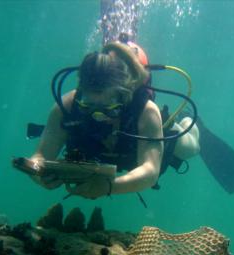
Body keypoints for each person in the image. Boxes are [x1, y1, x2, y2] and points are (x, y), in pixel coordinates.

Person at [28, 40, 201, 200]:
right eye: (88, 104)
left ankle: (187, 121)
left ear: (124, 95)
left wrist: (109, 187)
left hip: (149, 134)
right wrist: (38, 174)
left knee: (190, 149)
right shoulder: (66, 105)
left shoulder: (146, 112)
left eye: (108, 105)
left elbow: (150, 172)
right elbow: (39, 155)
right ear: (81, 91)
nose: (98, 115)